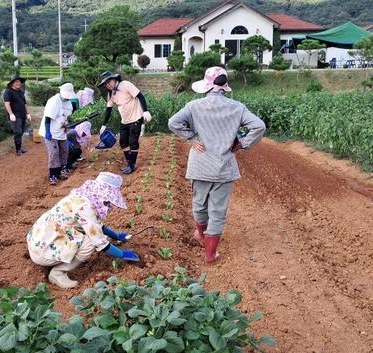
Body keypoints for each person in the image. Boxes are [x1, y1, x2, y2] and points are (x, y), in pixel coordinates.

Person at [168, 66, 266, 264]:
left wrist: (192, 138)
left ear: (207, 85)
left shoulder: (194, 106)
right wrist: (242, 143)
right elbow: (259, 126)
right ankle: (210, 254)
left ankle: (200, 234)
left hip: (200, 164)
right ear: (224, 86)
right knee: (217, 211)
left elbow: (173, 122)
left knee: (199, 203)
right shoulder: (237, 107)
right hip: (223, 166)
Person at [27, 172, 140, 288]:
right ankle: (58, 273)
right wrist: (122, 254)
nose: (109, 204)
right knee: (89, 243)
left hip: (40, 240)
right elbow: (100, 244)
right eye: (109, 201)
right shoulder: (86, 208)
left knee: (86, 235)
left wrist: (116, 236)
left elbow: (94, 226)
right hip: (42, 252)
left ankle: (56, 258)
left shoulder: (83, 196)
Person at [97, 72, 152, 174]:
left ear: (114, 79)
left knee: (133, 142)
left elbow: (140, 96)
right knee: (123, 142)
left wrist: (145, 110)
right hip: (125, 120)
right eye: (106, 84)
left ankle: (132, 165)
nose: (108, 85)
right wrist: (104, 124)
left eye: (109, 82)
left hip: (136, 118)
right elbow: (108, 109)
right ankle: (129, 163)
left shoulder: (126, 85)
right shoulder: (111, 93)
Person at [39, 83, 77, 185]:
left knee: (64, 151)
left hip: (61, 131)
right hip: (50, 131)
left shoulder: (68, 103)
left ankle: (59, 172)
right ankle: (53, 175)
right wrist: (47, 132)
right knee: (54, 153)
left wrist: (67, 125)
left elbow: (67, 117)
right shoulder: (54, 101)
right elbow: (47, 118)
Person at [3, 75, 32, 156]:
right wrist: (11, 114)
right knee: (18, 132)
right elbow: (7, 104)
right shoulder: (8, 91)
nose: (18, 83)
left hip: (22, 115)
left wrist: (28, 113)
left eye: (19, 82)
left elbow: (25, 103)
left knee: (22, 131)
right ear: (12, 83)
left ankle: (19, 147)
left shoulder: (20, 92)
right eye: (16, 82)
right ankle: (18, 150)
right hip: (15, 116)